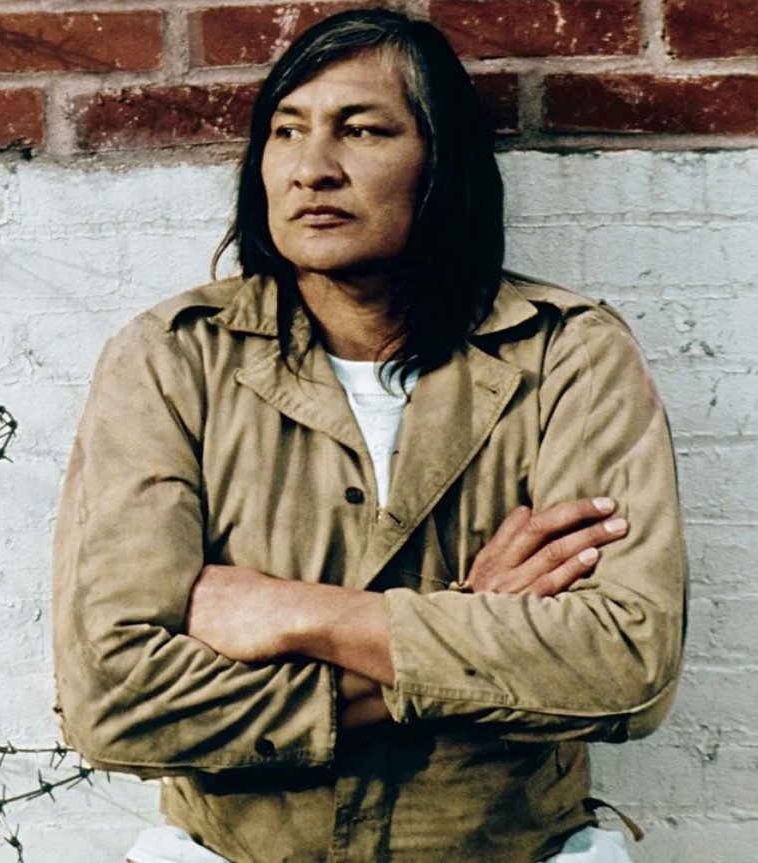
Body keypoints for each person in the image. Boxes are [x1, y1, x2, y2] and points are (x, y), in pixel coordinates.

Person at [51, 8, 686, 863]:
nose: (311, 167)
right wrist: (471, 624)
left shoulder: (564, 353)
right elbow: (113, 701)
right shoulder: (172, 359)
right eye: (286, 131)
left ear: (441, 162)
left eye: (361, 130)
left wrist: (295, 614)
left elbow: (622, 665)